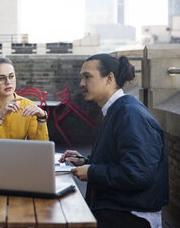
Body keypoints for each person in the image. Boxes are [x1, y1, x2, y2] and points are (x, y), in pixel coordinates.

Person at [59, 54, 169, 228]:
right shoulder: (116, 110)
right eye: (82, 78)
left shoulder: (130, 114)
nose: (81, 83)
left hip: (131, 216)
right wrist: (86, 162)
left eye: (87, 77)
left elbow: (139, 174)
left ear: (109, 78)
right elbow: (122, 160)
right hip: (116, 208)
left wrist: (92, 172)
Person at [0, 57, 49, 142]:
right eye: (1, 78)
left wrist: (41, 118)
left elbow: (40, 147)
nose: (8, 82)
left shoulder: (28, 106)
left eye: (11, 76)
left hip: (19, 155)